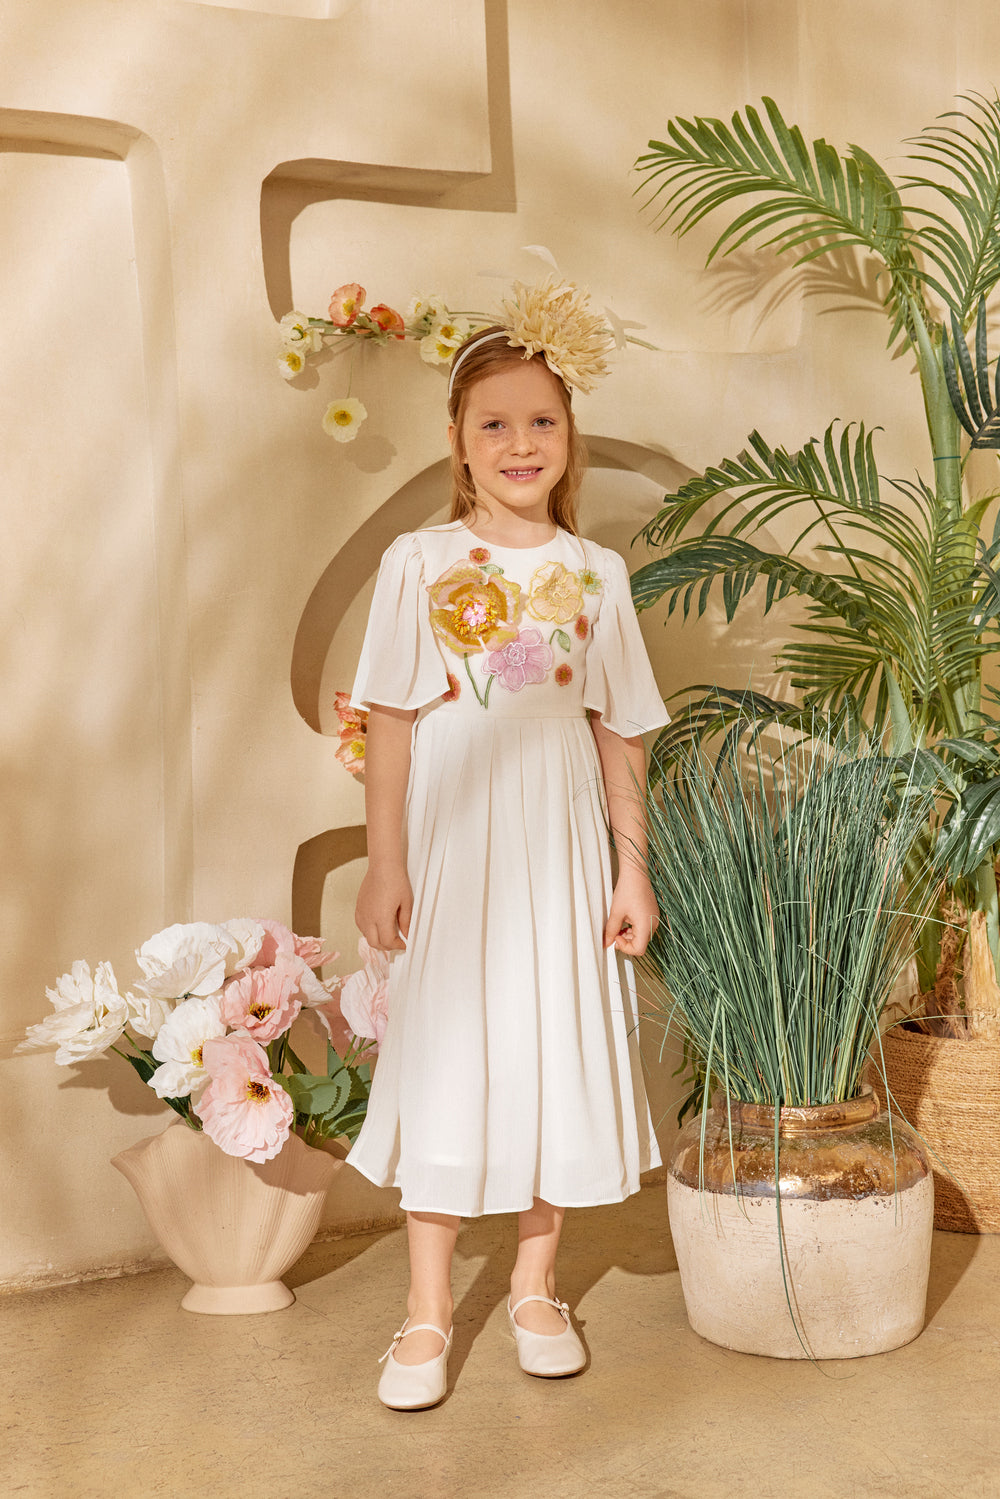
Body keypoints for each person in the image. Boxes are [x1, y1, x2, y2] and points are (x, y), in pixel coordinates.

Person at [346, 278, 669, 1410]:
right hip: (454, 825)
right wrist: (386, 860)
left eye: (542, 419)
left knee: (554, 1036)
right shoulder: (419, 562)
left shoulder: (597, 575)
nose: (521, 441)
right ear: (458, 441)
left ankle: (537, 1286)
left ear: (568, 434)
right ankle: (427, 1308)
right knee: (446, 1045)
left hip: (563, 832)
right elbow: (390, 715)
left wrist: (631, 866)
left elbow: (619, 725)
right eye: (495, 423)